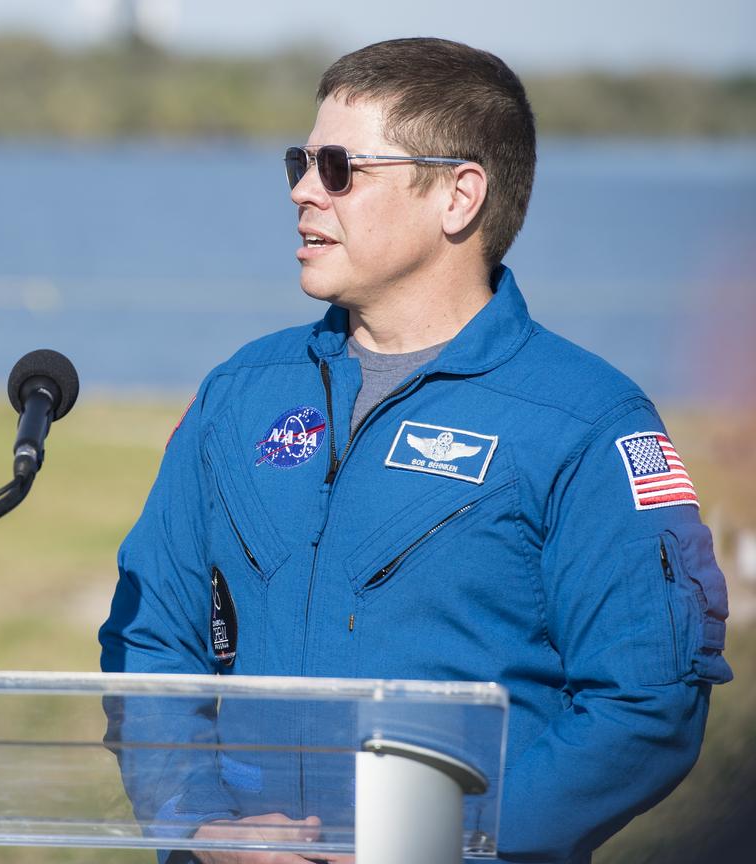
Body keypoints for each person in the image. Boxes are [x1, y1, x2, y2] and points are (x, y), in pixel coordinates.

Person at [99, 38, 732, 863]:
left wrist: (442, 837)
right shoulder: (240, 393)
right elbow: (152, 640)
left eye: (338, 167)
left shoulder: (587, 422)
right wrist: (198, 822)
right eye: (301, 160)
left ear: (459, 196)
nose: (300, 190)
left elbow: (644, 706)